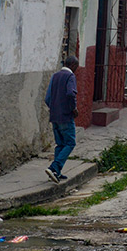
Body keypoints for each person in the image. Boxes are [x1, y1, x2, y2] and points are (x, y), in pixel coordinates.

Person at [44, 55, 79, 183]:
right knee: (70, 143)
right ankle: (54, 167)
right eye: (77, 67)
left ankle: (56, 172)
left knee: (60, 144)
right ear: (73, 65)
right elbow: (70, 93)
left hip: (54, 116)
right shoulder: (70, 77)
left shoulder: (55, 76)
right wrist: (73, 108)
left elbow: (47, 98)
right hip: (65, 116)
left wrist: (55, 108)